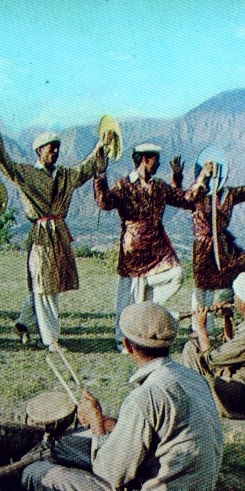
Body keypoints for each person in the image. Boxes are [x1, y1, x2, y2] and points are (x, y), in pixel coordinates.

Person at [19, 302, 223, 491]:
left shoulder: (146, 396)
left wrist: (96, 425)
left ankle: (28, 461)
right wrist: (105, 423)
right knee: (61, 445)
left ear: (127, 345)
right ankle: (43, 449)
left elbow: (110, 474)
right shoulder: (191, 376)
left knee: (36, 474)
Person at [0, 109, 104, 351]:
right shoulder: (26, 174)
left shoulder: (66, 175)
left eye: (58, 147)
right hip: (41, 237)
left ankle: (24, 323)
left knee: (48, 283)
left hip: (58, 234)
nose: (56, 152)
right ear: (39, 151)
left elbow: (87, 167)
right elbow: (4, 162)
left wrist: (102, 145)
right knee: (45, 285)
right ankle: (51, 339)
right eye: (51, 148)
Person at [94, 143, 211, 350]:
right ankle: (123, 339)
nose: (158, 164)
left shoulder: (159, 186)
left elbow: (185, 200)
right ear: (145, 159)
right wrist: (101, 174)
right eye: (155, 159)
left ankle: (145, 307)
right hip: (133, 250)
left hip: (157, 249)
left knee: (176, 275)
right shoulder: (124, 185)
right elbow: (104, 203)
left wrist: (201, 178)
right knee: (128, 295)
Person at [185, 163, 245, 333]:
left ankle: (230, 308)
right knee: (203, 286)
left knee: (242, 269)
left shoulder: (229, 194)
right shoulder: (198, 194)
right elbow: (186, 197)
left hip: (223, 244)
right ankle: (199, 326)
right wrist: (202, 177)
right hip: (203, 246)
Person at [181, 271, 245, 419]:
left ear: (244, 303)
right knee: (197, 348)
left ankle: (196, 400)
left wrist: (201, 328)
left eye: (236, 296)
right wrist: (227, 317)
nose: (234, 299)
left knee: (191, 348)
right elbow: (234, 346)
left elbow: (212, 359)